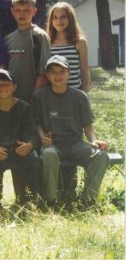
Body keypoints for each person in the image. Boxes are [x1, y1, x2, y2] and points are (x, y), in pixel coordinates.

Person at [33, 55, 109, 208]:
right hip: (52, 144)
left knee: (100, 156)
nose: (58, 76)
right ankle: (50, 201)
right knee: (48, 154)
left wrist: (94, 140)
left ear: (69, 73)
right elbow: (36, 123)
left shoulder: (80, 96)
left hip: (75, 144)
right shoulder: (40, 96)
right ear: (48, 76)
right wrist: (42, 137)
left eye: (62, 71)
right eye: (53, 72)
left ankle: (88, 200)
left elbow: (88, 127)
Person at [0, 69, 42, 204]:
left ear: (14, 87)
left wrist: (29, 145)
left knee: (33, 159)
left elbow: (34, 135)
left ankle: (30, 201)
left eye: (7, 84)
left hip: (19, 151)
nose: (3, 88)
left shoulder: (25, 108)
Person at [5, 0, 51, 102]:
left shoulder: (39, 36)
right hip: (12, 99)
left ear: (34, 11)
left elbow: (43, 72)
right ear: (12, 11)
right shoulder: (8, 38)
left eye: (26, 10)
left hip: (33, 99)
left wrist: (34, 99)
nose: (22, 14)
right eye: (18, 10)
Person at [46, 2, 90, 92]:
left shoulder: (79, 42)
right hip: (52, 94)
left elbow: (84, 72)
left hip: (74, 93)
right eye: (55, 17)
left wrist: (84, 94)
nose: (59, 21)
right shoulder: (46, 42)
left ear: (70, 18)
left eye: (63, 17)